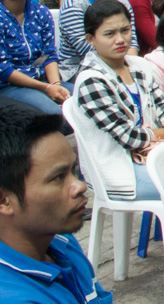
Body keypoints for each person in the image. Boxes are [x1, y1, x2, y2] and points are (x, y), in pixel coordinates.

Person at [73, 0, 164, 200]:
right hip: (118, 169)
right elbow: (129, 137)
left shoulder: (138, 66)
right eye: (109, 34)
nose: (120, 39)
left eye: (125, 30)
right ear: (90, 39)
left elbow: (163, 107)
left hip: (150, 155)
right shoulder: (91, 81)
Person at [0, 109, 111, 304]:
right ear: (3, 200)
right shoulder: (15, 297)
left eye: (73, 170)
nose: (80, 186)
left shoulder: (61, 241)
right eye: (58, 177)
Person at [0, 0, 70, 115]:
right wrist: (46, 88)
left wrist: (56, 85)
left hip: (44, 80)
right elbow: (3, 69)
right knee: (56, 114)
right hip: (9, 86)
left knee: (84, 101)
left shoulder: (40, 12)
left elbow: (49, 54)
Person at [57, 0, 137, 83]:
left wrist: (132, 69)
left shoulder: (122, 2)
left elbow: (132, 40)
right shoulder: (74, 5)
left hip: (120, 63)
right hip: (78, 70)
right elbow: (87, 49)